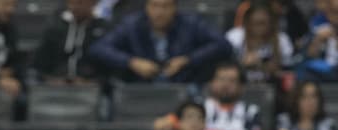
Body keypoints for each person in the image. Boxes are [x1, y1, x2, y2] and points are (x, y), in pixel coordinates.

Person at [89, 0, 232, 84]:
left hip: (183, 84)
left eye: (165, 6)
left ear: (175, 8)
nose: (159, 12)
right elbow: (99, 48)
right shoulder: (132, 25)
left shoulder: (191, 24)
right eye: (155, 6)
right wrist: (132, 62)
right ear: (146, 7)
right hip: (139, 87)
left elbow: (223, 45)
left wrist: (188, 60)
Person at [32, 0, 112, 83]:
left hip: (92, 85)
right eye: (71, 3)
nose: (75, 7)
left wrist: (93, 81)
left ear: (93, 3)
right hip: (55, 83)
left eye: (80, 2)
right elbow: (40, 60)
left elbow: (107, 64)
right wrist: (50, 79)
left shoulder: (103, 28)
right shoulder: (55, 26)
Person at [225, 1, 293, 84]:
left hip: (271, 85)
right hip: (241, 83)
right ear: (247, 22)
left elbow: (288, 72)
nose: (258, 28)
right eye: (254, 23)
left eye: (262, 23)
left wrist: (264, 67)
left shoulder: (282, 40)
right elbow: (224, 67)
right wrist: (241, 64)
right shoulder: (234, 37)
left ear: (271, 23)